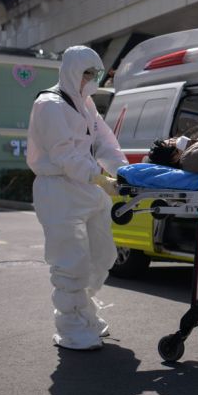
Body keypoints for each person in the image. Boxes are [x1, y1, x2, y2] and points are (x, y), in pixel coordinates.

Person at [27, 46, 128, 350]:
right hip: (58, 188)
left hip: (86, 188)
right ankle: (70, 327)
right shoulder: (49, 104)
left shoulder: (86, 105)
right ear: (71, 71)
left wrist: (125, 173)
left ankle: (84, 312)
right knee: (70, 262)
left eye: (95, 73)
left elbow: (105, 141)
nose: (91, 79)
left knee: (103, 256)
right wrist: (99, 177)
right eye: (87, 73)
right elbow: (63, 154)